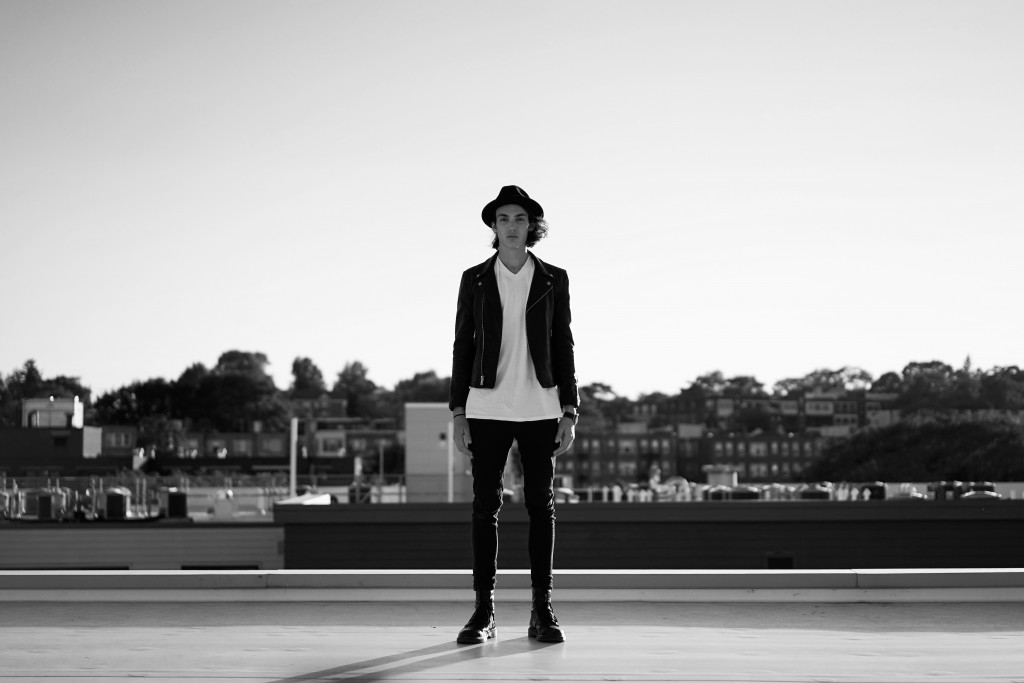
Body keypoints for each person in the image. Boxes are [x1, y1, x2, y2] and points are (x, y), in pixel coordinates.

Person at [450, 185, 579, 644]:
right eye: (503, 218)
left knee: (541, 506)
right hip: (486, 405)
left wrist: (570, 410)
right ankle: (483, 612)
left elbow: (563, 342)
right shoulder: (475, 279)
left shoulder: (553, 278)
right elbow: (462, 344)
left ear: (531, 226)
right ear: (494, 226)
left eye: (519, 218)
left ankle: (542, 610)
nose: (511, 226)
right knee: (485, 507)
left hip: (541, 404)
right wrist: (458, 411)